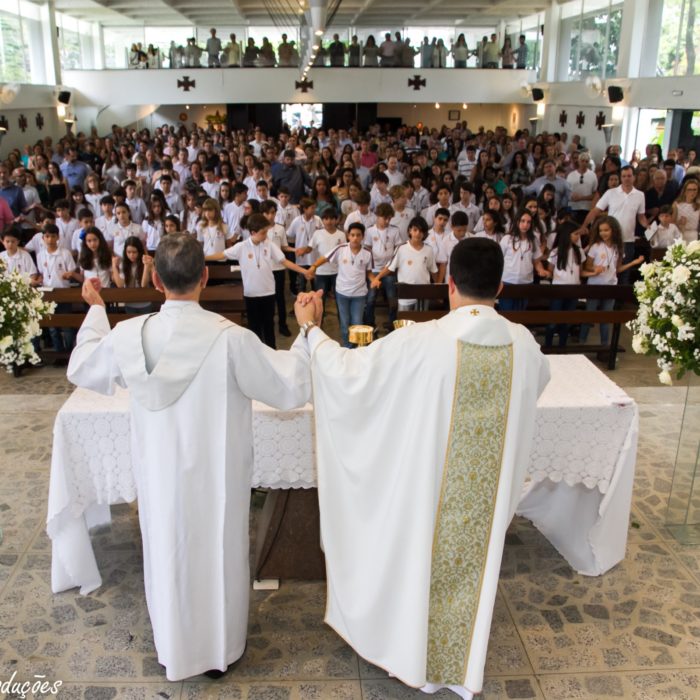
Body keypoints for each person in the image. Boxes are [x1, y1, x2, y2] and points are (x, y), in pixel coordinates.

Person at [293, 236, 550, 700]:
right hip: (484, 507)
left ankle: (412, 652)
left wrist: (311, 329)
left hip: (426, 495)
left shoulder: (419, 341)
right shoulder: (526, 346)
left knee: (420, 557)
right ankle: (456, 664)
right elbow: (536, 386)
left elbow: (348, 374)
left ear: (448, 283)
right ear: (500, 287)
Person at [67, 233, 311, 682]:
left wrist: (97, 310)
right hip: (216, 481)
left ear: (156, 281)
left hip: (161, 479)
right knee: (218, 553)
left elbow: (81, 365)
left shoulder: (128, 337)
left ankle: (176, 650)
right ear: (205, 277)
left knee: (168, 553)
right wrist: (307, 331)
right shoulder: (231, 339)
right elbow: (290, 386)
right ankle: (220, 651)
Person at [206, 213, 312, 348]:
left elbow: (284, 261)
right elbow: (222, 255)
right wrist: (203, 257)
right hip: (251, 294)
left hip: (268, 292)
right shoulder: (241, 247)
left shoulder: (269, 245)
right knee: (254, 328)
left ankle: (271, 352)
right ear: (253, 233)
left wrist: (304, 271)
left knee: (269, 326)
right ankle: (256, 353)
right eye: (263, 233)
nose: (266, 236)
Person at [579, 215, 644, 345]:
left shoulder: (617, 247)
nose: (603, 233)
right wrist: (595, 268)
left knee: (607, 317)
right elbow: (587, 266)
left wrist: (633, 263)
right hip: (595, 286)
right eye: (600, 230)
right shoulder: (595, 246)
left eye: (606, 230)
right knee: (589, 315)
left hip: (611, 286)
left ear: (613, 230)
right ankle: (582, 341)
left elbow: (617, 269)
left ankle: (605, 344)